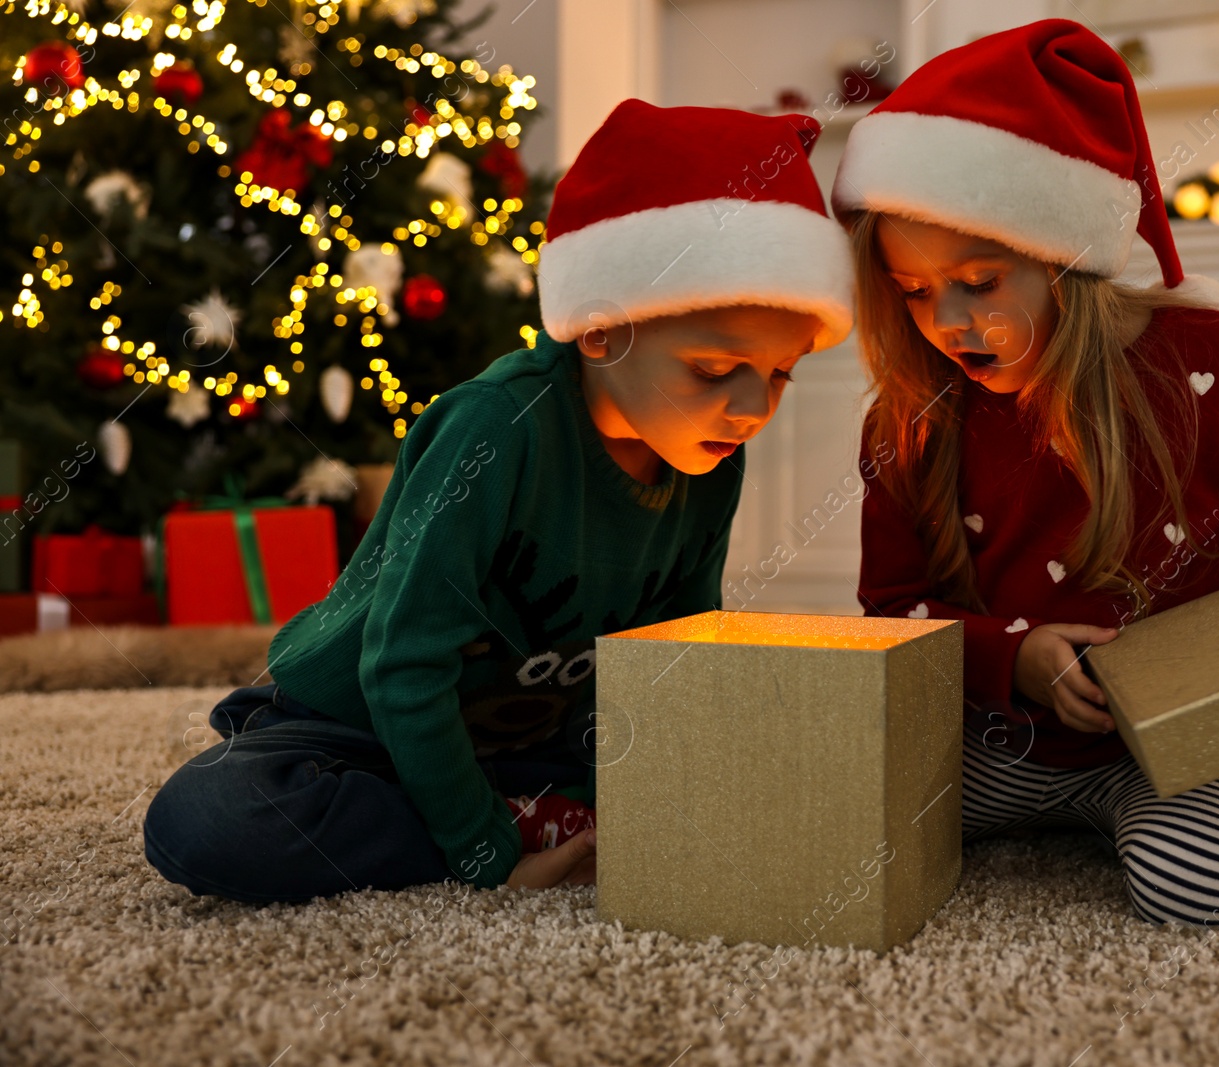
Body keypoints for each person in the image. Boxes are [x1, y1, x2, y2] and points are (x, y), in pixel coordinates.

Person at [143, 99, 855, 903]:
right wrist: (487, 854)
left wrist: (657, 788)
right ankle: (499, 822)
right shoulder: (496, 427)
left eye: (781, 373)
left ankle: (525, 808)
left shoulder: (713, 460)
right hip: (367, 719)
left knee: (767, 762)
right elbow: (402, 664)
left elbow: (669, 663)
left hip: (536, 733)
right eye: (713, 369)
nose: (754, 406)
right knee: (205, 819)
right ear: (598, 329)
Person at [831, 20, 1219, 927]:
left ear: (1064, 256)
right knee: (823, 822)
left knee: (1204, 890)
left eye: (979, 280)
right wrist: (1014, 657)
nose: (947, 322)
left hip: (1165, 737)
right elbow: (894, 613)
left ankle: (1116, 809)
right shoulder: (909, 421)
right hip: (990, 733)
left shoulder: (1205, 358)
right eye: (913, 292)